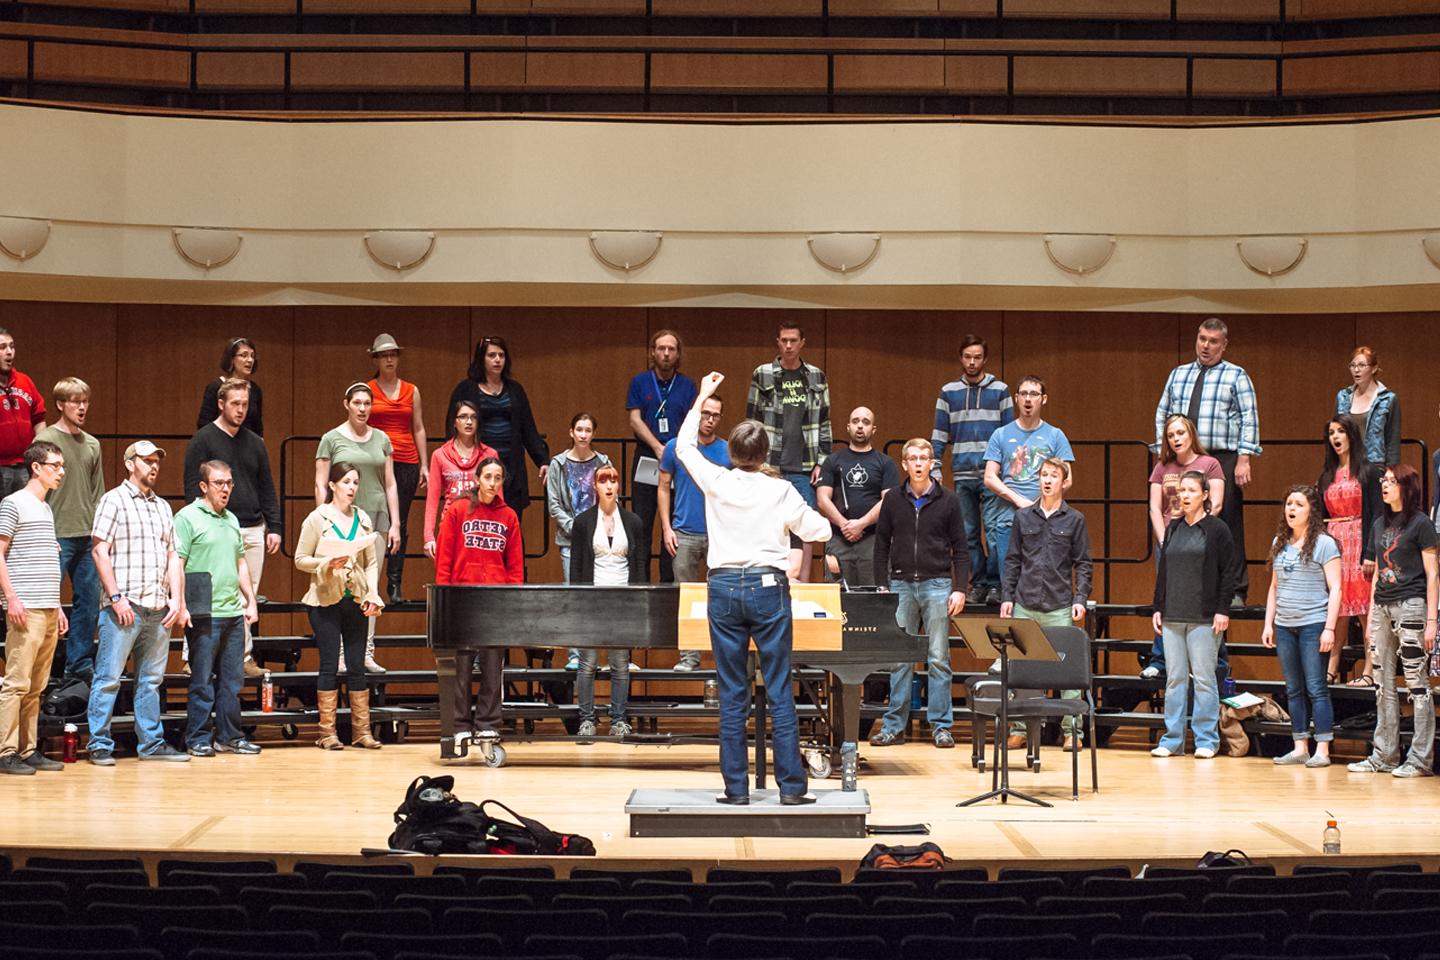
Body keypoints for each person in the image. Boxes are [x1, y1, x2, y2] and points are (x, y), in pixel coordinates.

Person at [679, 371, 830, 804]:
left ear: (730, 451)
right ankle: (792, 790)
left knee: (732, 693)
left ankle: (736, 790)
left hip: (723, 588)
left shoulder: (717, 481)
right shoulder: (780, 490)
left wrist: (703, 394)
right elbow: (818, 531)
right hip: (768, 587)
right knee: (779, 687)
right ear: (766, 453)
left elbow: (685, 447)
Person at [86, 441, 190, 765]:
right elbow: (99, 550)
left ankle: (151, 744)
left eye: (156, 460)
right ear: (130, 464)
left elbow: (174, 555)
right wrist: (116, 598)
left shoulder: (162, 507)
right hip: (124, 606)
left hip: (158, 608)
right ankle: (99, 744)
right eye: (146, 460)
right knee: (108, 679)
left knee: (150, 681)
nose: (153, 466)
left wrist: (177, 599)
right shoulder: (113, 500)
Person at [869, 438, 969, 750]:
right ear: (904, 463)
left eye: (924, 457)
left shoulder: (949, 500)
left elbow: (961, 549)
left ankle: (941, 726)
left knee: (939, 658)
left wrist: (961, 589)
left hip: (937, 585)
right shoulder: (893, 501)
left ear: (931, 463)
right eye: (912, 458)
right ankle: (893, 726)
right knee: (899, 659)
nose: (918, 463)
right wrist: (881, 584)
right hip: (899, 585)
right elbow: (881, 544)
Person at [1154, 318, 1260, 607]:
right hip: (1183, 457)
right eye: (1202, 339)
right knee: (1179, 517)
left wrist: (1244, 458)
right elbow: (1163, 412)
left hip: (1221, 456)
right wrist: (1164, 453)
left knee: (1226, 521)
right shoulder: (1179, 374)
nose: (1206, 346)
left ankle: (1236, 589)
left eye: (1213, 341)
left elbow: (1249, 417)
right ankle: (1188, 582)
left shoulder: (1237, 375)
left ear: (1224, 345)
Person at [183, 378, 282, 678]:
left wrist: (274, 526)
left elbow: (266, 486)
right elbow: (191, 486)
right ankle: (192, 657)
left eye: (245, 404)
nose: (241, 410)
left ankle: (243, 656)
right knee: (203, 594)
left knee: (246, 595)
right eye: (235, 403)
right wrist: (200, 523)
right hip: (213, 528)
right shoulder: (203, 439)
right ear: (221, 403)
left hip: (251, 528)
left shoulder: (255, 443)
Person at [1348, 464, 1438, 778]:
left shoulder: (1421, 523)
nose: (1384, 486)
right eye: (1383, 481)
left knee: (1416, 682)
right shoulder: (1378, 524)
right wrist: (1372, 612)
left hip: (1411, 605)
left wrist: (1432, 619)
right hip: (1383, 608)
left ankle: (1419, 759)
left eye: (1390, 481)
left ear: (1406, 486)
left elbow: (1433, 573)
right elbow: (1374, 576)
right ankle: (1384, 754)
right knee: (1382, 685)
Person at [999, 457, 1093, 752]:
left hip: (1059, 604)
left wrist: (1080, 599)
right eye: (1043, 475)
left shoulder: (1075, 519)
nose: (1047, 480)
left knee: (1067, 670)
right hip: (1026, 602)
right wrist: (1007, 597)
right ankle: (1021, 729)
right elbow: (1013, 560)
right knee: (1024, 669)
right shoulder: (1024, 517)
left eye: (1054, 475)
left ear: (1064, 482)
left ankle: (1072, 731)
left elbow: (1084, 564)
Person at [294, 461, 385, 750]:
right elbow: (299, 559)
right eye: (346, 482)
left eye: (355, 482)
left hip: (355, 599)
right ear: (332, 485)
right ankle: (327, 732)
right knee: (329, 664)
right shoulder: (317, 518)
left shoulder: (364, 519)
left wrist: (372, 592)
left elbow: (371, 562)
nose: (351, 488)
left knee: (357, 666)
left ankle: (361, 731)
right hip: (325, 600)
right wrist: (325, 563)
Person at [434, 458, 523, 741]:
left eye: (498, 478)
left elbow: (515, 565)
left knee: (492, 665)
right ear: (477, 478)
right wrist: (444, 596)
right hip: (462, 597)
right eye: (488, 477)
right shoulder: (458, 509)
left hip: (495, 601)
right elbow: (445, 556)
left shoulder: (509, 516)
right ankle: (460, 725)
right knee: (461, 665)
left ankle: (487, 722)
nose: (493, 483)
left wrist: (511, 599)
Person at [176, 460, 261, 758]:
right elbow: (178, 563)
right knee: (201, 681)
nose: (225, 489)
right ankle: (197, 737)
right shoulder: (187, 517)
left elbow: (240, 562)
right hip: (203, 613)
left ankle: (229, 736)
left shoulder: (232, 519)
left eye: (229, 483)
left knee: (232, 682)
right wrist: (180, 603)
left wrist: (250, 600)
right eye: (219, 483)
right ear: (204, 486)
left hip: (232, 613)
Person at [1150, 471, 1235, 760]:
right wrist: (1158, 606)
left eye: (1191, 490)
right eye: (1182, 490)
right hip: (1173, 613)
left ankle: (1206, 740)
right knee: (1174, 679)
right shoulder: (1173, 527)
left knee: (1203, 678)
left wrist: (1223, 609)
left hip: (1204, 616)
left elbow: (1228, 573)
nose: (1184, 495)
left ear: (1205, 495)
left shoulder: (1217, 529)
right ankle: (1172, 739)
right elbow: (1164, 572)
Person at [315, 382, 399, 674]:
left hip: (375, 516)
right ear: (346, 404)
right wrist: (322, 517)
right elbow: (321, 480)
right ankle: (339, 653)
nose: (363, 408)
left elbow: (390, 482)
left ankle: (366, 652)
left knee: (369, 586)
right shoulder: (330, 438)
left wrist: (396, 523)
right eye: (357, 403)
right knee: (340, 584)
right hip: (340, 520)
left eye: (367, 403)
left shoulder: (382, 439)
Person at [1261, 485, 1341, 769]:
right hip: (1285, 625)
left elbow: (1336, 588)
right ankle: (1299, 747)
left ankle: (1322, 748)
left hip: (1313, 624)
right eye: (1289, 504)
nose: (1291, 509)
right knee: (1293, 688)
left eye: (1298, 504)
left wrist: (1329, 628)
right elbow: (1273, 587)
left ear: (1312, 511)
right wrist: (1268, 623)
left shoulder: (1324, 543)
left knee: (1316, 687)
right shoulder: (1279, 542)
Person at [0, 441, 68, 775]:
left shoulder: (45, 508)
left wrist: (59, 607)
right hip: (25, 606)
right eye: (55, 465)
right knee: (16, 682)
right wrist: (11, 597)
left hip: (48, 607)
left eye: (62, 465)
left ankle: (28, 749)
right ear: (36, 467)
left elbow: (45, 561)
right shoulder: (13, 504)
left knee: (37, 686)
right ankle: (5, 751)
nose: (61, 471)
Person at [931, 334, 1014, 604]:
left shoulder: (1000, 390)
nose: (972, 362)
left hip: (992, 476)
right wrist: (935, 465)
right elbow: (939, 433)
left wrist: (1007, 470)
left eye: (977, 357)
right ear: (960, 358)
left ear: (985, 359)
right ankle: (976, 583)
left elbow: (1010, 432)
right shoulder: (948, 392)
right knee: (967, 533)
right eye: (967, 357)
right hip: (962, 472)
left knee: (993, 532)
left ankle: (994, 584)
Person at [1142, 414, 1225, 680]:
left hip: (1200, 541)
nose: (1176, 439)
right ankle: (1160, 659)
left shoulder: (1209, 464)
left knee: (1204, 598)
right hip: (1170, 541)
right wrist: (1165, 540)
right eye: (1170, 435)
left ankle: (1216, 661)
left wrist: (1198, 534)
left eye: (1180, 433)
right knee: (1166, 600)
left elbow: (1217, 503)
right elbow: (1155, 507)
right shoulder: (1162, 467)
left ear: (1191, 434)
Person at [747, 321, 831, 581]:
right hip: (770, 463)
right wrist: (754, 462)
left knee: (803, 524)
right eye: (784, 340)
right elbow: (751, 421)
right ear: (778, 342)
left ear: (802, 342)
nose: (789, 345)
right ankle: (768, 578)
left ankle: (801, 582)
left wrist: (822, 462)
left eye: (793, 340)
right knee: (766, 521)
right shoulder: (763, 374)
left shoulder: (816, 376)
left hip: (804, 464)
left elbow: (825, 421)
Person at [568, 464, 646, 739]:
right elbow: (576, 565)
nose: (609, 485)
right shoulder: (583, 521)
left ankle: (619, 719)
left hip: (623, 601)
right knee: (587, 662)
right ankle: (587, 719)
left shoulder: (633, 522)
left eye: (613, 480)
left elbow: (640, 566)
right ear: (595, 486)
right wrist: (577, 601)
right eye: (603, 480)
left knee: (619, 663)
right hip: (592, 600)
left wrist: (639, 604)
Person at [35, 377, 104, 683]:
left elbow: (98, 493)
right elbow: (38, 490)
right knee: (46, 602)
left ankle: (78, 664)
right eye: (75, 401)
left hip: (86, 535)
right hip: (56, 533)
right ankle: (42, 664)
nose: (81, 407)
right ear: (61, 405)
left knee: (87, 603)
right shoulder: (46, 442)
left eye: (85, 401)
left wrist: (100, 535)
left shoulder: (92, 444)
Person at [658, 392, 729, 672]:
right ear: (696, 414)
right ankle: (689, 657)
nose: (709, 420)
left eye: (715, 415)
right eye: (705, 413)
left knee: (723, 598)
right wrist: (666, 527)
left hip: (718, 535)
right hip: (683, 533)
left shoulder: (727, 450)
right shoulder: (676, 447)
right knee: (685, 598)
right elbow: (663, 487)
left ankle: (722, 659)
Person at [446, 336, 549, 526]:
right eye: (492, 355)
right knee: (479, 522)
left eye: (501, 355)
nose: (497, 360)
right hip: (477, 464)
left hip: (511, 466)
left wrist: (542, 460)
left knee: (510, 524)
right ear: (481, 359)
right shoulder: (466, 389)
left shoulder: (515, 390)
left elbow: (528, 428)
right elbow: (452, 429)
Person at [982, 375, 1074, 586]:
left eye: (1034, 394)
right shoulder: (1001, 434)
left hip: (1046, 518)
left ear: (1043, 399)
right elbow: (989, 477)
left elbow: (1067, 479)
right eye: (1023, 394)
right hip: (1008, 518)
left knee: (1045, 580)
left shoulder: (1055, 435)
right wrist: (1019, 501)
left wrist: (1042, 502)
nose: (1028, 399)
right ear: (1016, 398)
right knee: (1010, 582)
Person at [626, 330, 696, 584]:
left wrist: (673, 449)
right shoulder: (640, 382)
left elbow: (692, 421)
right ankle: (640, 584)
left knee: (674, 523)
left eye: (671, 349)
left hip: (678, 460)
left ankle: (669, 583)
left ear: (678, 354)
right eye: (661, 348)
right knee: (641, 522)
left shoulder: (688, 385)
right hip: (647, 456)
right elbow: (634, 419)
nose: (666, 354)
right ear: (653, 352)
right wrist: (657, 446)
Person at [1317, 415, 1382, 687]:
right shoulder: (1326, 475)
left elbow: (1377, 515)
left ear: (1352, 435)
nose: (1335, 437)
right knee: (1337, 608)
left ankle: (1370, 669)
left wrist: (1371, 553)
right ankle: (1331, 667)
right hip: (1334, 544)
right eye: (1331, 432)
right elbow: (1320, 517)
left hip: (1359, 541)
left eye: (1340, 431)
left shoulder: (1368, 472)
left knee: (1365, 610)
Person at [546, 413, 612, 670]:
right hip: (570, 539)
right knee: (574, 594)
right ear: (571, 432)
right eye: (579, 430)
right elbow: (554, 504)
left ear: (593, 433)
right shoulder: (558, 464)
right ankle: (575, 654)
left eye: (588, 430)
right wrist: (577, 527)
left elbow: (609, 498)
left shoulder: (603, 462)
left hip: (598, 538)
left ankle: (595, 653)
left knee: (597, 596)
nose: (584, 434)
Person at [367, 333, 427, 604]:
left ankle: (395, 583)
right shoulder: (367, 389)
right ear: (377, 359)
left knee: (398, 522)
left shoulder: (411, 390)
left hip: (406, 460)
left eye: (393, 354)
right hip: (377, 462)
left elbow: (418, 427)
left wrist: (425, 464)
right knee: (373, 521)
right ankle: (371, 582)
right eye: (383, 355)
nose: (389, 359)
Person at [817, 407, 898, 588]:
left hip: (873, 540)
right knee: (837, 600)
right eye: (855, 421)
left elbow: (889, 501)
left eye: (866, 422)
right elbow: (822, 499)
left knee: (873, 600)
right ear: (848, 427)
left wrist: (861, 524)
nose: (860, 426)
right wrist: (846, 525)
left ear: (873, 429)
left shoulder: (885, 463)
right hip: (838, 538)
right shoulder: (832, 460)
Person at [423, 399, 497, 559]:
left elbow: (498, 499)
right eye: (463, 417)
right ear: (454, 422)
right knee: (449, 581)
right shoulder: (439, 455)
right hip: (451, 526)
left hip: (481, 528)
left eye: (473, 417)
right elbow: (432, 498)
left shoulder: (489, 454)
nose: (469, 422)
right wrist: (428, 537)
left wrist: (498, 532)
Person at [0, 328, 45, 500]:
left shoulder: (24, 382)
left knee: (25, 513)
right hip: (0, 466)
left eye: (11, 346)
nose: (9, 352)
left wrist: (40, 454)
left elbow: (39, 419)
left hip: (24, 465)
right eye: (2, 347)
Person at [1335, 346, 1399, 467]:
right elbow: (1334, 433)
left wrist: (1392, 470)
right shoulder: (1343, 397)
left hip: (1375, 465)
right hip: (1347, 463)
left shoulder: (1388, 399)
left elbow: (1393, 441)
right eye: (1352, 365)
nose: (1356, 370)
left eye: (1361, 365)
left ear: (1374, 368)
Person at [196, 337, 263, 436]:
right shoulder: (215, 387)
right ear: (231, 359)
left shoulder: (255, 389)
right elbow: (204, 424)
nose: (250, 360)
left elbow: (258, 428)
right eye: (244, 355)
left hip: (246, 447)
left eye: (252, 356)